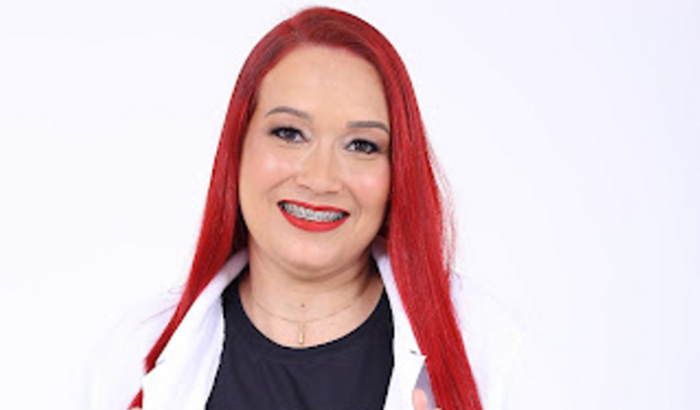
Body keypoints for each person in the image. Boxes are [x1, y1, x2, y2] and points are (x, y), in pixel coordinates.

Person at [83, 7, 521, 410]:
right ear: (237, 148)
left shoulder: (491, 350)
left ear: (397, 172)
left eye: (361, 145)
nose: (320, 178)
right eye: (290, 134)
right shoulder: (134, 356)